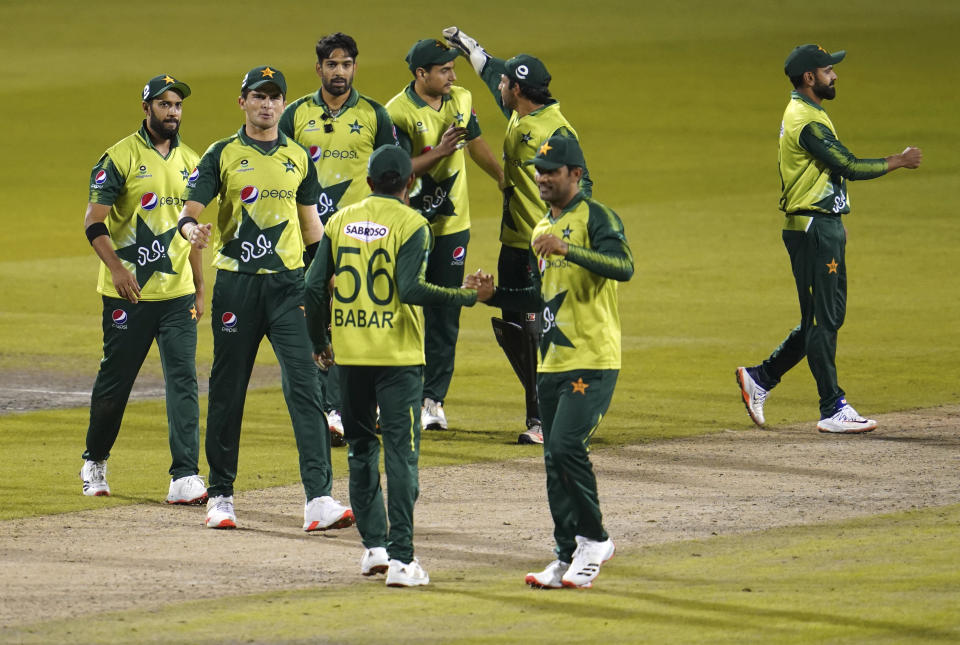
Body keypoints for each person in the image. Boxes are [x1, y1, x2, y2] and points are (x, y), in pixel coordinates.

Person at [177, 66, 353, 531]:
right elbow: (189, 212)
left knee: (307, 388)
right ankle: (221, 496)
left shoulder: (298, 156)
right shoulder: (223, 154)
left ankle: (319, 499)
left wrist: (326, 277)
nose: (268, 105)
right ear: (243, 102)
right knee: (229, 390)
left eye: (275, 97)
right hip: (238, 285)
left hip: (290, 287)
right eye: (259, 96)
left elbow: (312, 225)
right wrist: (192, 230)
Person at [305, 146, 489, 587]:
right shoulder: (414, 224)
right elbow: (410, 289)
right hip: (398, 361)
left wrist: (320, 343)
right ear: (409, 184)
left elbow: (312, 286)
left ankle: (374, 551)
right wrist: (467, 296)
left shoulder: (340, 220)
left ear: (369, 182)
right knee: (402, 457)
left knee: (361, 451)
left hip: (349, 359)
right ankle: (403, 561)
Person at [467, 135, 633, 589]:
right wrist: (492, 295)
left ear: (575, 175)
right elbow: (540, 299)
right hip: (551, 361)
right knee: (552, 458)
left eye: (551, 171)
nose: (541, 178)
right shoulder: (541, 227)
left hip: (593, 357)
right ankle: (565, 554)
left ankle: (596, 540)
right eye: (539, 171)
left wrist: (569, 249)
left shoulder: (597, 217)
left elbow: (624, 266)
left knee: (565, 447)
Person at [735, 44, 922, 434]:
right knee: (822, 319)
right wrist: (898, 161)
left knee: (824, 317)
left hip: (821, 223)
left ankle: (761, 377)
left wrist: (834, 214)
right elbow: (848, 165)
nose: (834, 75)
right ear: (809, 78)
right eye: (827, 70)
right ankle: (832, 407)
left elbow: (823, 176)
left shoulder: (809, 113)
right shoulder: (807, 121)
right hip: (812, 227)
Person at [443, 26, 592, 444]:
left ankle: (546, 418)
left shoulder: (555, 131)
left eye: (508, 82)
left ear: (520, 90)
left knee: (536, 329)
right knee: (515, 327)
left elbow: (585, 182)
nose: (501, 85)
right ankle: (548, 410)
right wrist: (473, 50)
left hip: (538, 244)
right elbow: (493, 76)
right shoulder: (521, 113)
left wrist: (568, 233)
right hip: (514, 241)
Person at [80, 74, 206, 505]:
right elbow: (93, 222)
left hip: (177, 295)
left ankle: (185, 475)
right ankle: (95, 459)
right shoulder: (119, 158)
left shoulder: (193, 161)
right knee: (115, 385)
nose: (172, 112)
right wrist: (116, 269)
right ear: (146, 108)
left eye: (177, 105)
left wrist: (201, 287)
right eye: (164, 104)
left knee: (184, 382)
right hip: (128, 295)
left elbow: (189, 232)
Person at [280, 32, 400, 448]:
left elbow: (393, 174)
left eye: (346, 64)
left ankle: (356, 404)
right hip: (309, 237)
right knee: (318, 316)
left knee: (356, 320)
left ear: (354, 67)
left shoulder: (374, 115)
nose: (339, 72)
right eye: (332, 64)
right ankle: (331, 410)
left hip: (362, 236)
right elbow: (278, 169)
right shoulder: (294, 115)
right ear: (319, 68)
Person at [386, 38, 503, 432]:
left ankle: (432, 400)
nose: (453, 75)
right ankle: (395, 396)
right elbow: (398, 170)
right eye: (444, 70)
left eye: (453, 68)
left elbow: (475, 144)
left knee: (445, 312)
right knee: (401, 307)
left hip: (453, 226)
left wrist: (502, 178)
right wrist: (439, 150)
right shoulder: (397, 112)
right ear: (421, 75)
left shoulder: (462, 98)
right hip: (409, 227)